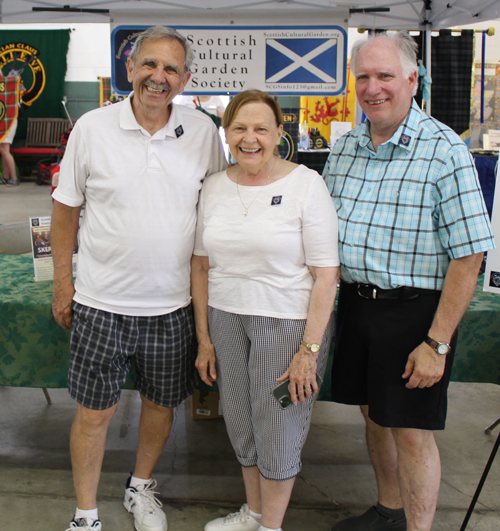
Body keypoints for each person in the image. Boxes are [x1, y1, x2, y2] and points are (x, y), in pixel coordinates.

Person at [51, 25, 226, 531]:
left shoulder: (201, 132)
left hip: (172, 306)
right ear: (129, 69)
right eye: (149, 65)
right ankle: (85, 515)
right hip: (101, 301)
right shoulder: (91, 128)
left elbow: (214, 211)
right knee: (93, 414)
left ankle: (141, 486)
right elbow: (65, 210)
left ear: (186, 78)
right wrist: (65, 284)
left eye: (171, 68)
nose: (158, 76)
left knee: (160, 406)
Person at [322, 31, 495, 531]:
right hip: (357, 304)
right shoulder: (349, 146)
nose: (372, 88)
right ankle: (388, 511)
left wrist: (435, 344)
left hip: (415, 312)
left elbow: (469, 256)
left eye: (385, 76)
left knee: (411, 431)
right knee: (374, 415)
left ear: (413, 79)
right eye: (363, 78)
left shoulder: (444, 150)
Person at [191, 89, 340, 531]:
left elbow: (326, 275)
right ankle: (254, 513)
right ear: (226, 133)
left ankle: (270, 527)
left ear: (279, 133)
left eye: (261, 128)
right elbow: (201, 266)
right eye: (239, 128)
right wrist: (204, 339)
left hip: (287, 324)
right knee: (239, 420)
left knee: (277, 425)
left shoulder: (305, 184)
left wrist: (308, 351)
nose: (249, 138)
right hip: (225, 318)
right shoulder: (215, 186)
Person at [0, 118, 19, 186]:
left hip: (8, 122)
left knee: (4, 150)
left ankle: (14, 178)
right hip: (2, 121)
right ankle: (5, 177)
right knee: (3, 150)